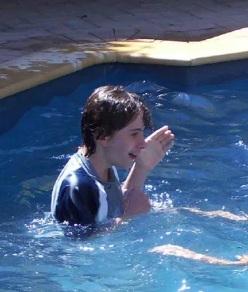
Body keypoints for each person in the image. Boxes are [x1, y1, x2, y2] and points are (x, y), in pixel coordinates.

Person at [51, 85, 175, 237]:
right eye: (134, 134)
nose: (142, 143)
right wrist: (126, 219)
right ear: (103, 136)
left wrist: (141, 168)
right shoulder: (78, 187)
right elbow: (79, 248)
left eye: (141, 133)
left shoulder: (103, 164)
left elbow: (113, 207)